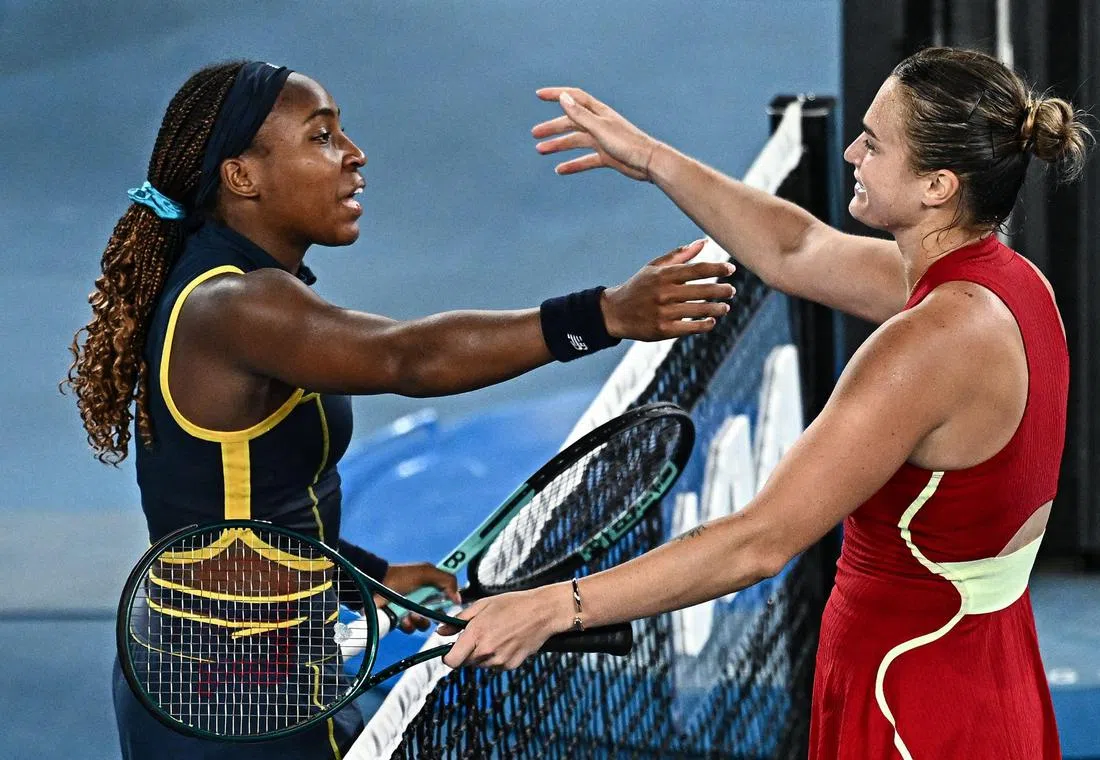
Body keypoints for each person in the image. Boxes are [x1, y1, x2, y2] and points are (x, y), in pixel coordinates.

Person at [63, 60, 735, 760]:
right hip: (233, 694)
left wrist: (365, 572)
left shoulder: (235, 284)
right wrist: (603, 315)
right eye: (321, 137)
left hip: (245, 662)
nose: (354, 155)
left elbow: (235, 500)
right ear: (243, 177)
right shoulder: (237, 306)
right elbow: (407, 357)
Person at [440, 47, 1093, 759]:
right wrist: (651, 158)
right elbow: (798, 249)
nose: (850, 152)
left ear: (936, 184)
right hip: (985, 672)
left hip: (908, 696)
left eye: (873, 144)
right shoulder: (1010, 287)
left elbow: (760, 540)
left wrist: (551, 608)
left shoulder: (925, 347)